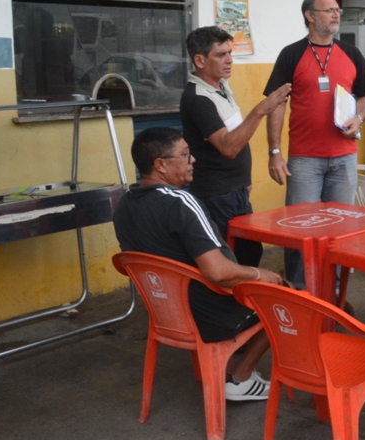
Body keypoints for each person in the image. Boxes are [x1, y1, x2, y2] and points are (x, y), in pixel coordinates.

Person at [113, 127, 283, 400]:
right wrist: (259, 273)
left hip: (167, 313)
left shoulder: (124, 205)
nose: (193, 160)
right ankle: (240, 378)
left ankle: (224, 367)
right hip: (210, 314)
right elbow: (217, 272)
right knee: (289, 294)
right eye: (185, 155)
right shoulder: (181, 202)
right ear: (160, 165)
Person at [264, 0, 365, 287]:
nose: (336, 15)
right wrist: (274, 151)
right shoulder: (291, 54)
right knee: (300, 229)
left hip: (344, 157)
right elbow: (276, 103)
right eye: (329, 10)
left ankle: (333, 290)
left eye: (338, 10)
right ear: (310, 16)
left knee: (340, 229)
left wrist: (359, 118)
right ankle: (300, 290)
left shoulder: (351, 54)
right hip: (305, 159)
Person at [180, 26, 291, 267]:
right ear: (199, 60)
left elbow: (235, 134)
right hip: (216, 194)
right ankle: (229, 303)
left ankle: (241, 300)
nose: (230, 60)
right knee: (230, 258)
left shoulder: (221, 86)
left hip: (235, 189)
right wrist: (261, 110)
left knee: (249, 251)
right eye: (221, 55)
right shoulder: (198, 98)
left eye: (230, 53)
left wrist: (243, 180)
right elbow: (228, 147)